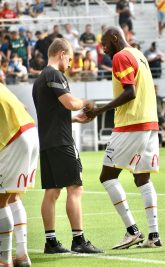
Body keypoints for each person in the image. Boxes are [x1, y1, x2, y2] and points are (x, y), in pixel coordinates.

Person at [85, 26, 162, 249]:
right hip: (149, 124)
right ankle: (154, 235)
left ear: (115, 39)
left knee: (107, 176)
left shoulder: (121, 56)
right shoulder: (139, 54)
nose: (103, 47)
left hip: (131, 124)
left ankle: (132, 230)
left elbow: (130, 92)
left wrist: (99, 111)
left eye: (105, 43)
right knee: (142, 178)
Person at [32, 38, 103, 254]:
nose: (71, 63)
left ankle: (51, 242)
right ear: (62, 53)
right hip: (62, 142)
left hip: (47, 142)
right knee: (75, 187)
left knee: (52, 192)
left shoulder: (39, 80)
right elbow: (71, 103)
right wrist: (87, 103)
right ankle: (78, 239)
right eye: (70, 58)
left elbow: (53, 113)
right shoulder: (54, 74)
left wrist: (73, 119)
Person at [0, 83, 39, 267]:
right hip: (29, 130)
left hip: (14, 137)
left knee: (0, 200)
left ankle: (3, 260)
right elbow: (22, 106)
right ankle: (22, 256)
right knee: (13, 196)